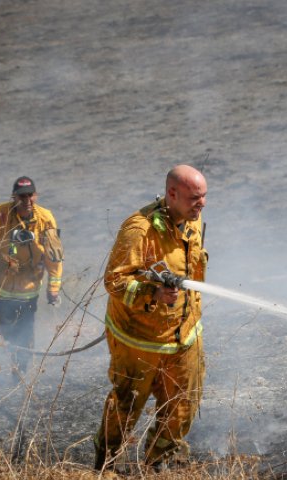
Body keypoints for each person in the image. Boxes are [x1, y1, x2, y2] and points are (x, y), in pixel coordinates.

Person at [95, 164, 208, 470]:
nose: (202, 204)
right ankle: (107, 465)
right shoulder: (139, 230)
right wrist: (153, 293)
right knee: (126, 405)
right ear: (172, 193)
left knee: (184, 402)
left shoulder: (192, 219)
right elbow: (114, 281)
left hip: (184, 334)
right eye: (194, 197)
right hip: (139, 340)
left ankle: (159, 463)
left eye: (204, 196)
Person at [0, 176, 63, 373]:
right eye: (22, 196)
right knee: (0, 324)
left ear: (36, 195)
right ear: (13, 197)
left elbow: (54, 256)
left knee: (25, 332)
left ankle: (21, 369)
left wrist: (53, 287)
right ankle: (13, 348)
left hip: (29, 289)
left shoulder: (46, 218)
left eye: (30, 195)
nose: (27, 200)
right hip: (1, 286)